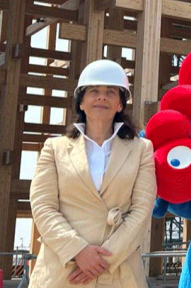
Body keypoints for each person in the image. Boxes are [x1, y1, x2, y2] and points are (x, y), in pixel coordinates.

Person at [29, 59, 156, 287]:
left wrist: (102, 260)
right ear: (81, 102)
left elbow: (142, 210)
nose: (102, 97)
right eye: (94, 91)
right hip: (63, 272)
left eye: (110, 92)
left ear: (120, 104)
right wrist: (77, 250)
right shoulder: (54, 149)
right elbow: (43, 206)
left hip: (118, 272)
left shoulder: (141, 150)